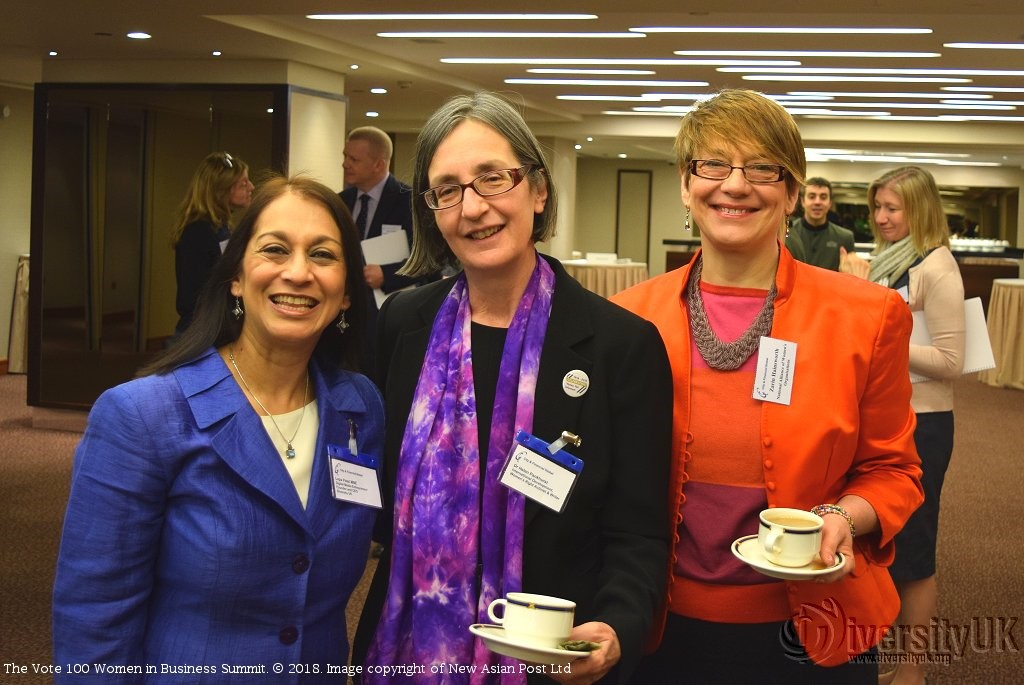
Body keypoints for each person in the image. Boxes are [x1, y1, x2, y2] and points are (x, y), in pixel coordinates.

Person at [353, 91, 673, 684]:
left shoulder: (618, 346)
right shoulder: (402, 325)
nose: (472, 208)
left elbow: (638, 532)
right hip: (403, 651)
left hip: (547, 656)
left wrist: (616, 626)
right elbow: (371, 495)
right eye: (448, 189)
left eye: (492, 179)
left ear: (538, 189)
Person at [610, 89, 923, 684]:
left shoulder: (867, 316)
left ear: (792, 191)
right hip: (657, 622)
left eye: (762, 168)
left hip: (815, 628)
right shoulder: (628, 318)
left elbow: (894, 470)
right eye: (713, 165)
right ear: (686, 183)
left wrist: (842, 518)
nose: (735, 185)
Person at [52, 175, 383, 683]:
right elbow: (94, 619)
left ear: (346, 295)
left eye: (322, 255)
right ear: (235, 277)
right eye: (275, 249)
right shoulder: (142, 415)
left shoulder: (359, 408)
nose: (298, 272)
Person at [841, 166, 965, 685]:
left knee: (914, 551)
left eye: (893, 209)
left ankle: (913, 669)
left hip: (925, 424)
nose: (882, 218)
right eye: (878, 209)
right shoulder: (894, 261)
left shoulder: (937, 267)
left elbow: (952, 359)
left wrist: (879, 329)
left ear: (921, 211)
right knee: (880, 548)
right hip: (886, 417)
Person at [170, 150, 254, 339]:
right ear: (222, 190)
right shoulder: (197, 232)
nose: (251, 187)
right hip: (199, 334)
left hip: (217, 328)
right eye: (243, 183)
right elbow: (190, 300)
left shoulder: (221, 227)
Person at [340, 125, 423, 295]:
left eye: (354, 160)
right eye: (345, 156)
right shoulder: (340, 201)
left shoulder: (412, 202)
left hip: (390, 308)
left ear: (379, 165)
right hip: (344, 305)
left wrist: (388, 274)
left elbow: (431, 261)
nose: (345, 164)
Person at [789, 177, 855, 271]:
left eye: (823, 197)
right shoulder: (788, 233)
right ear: (802, 201)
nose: (817, 202)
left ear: (830, 203)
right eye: (812, 197)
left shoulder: (845, 237)